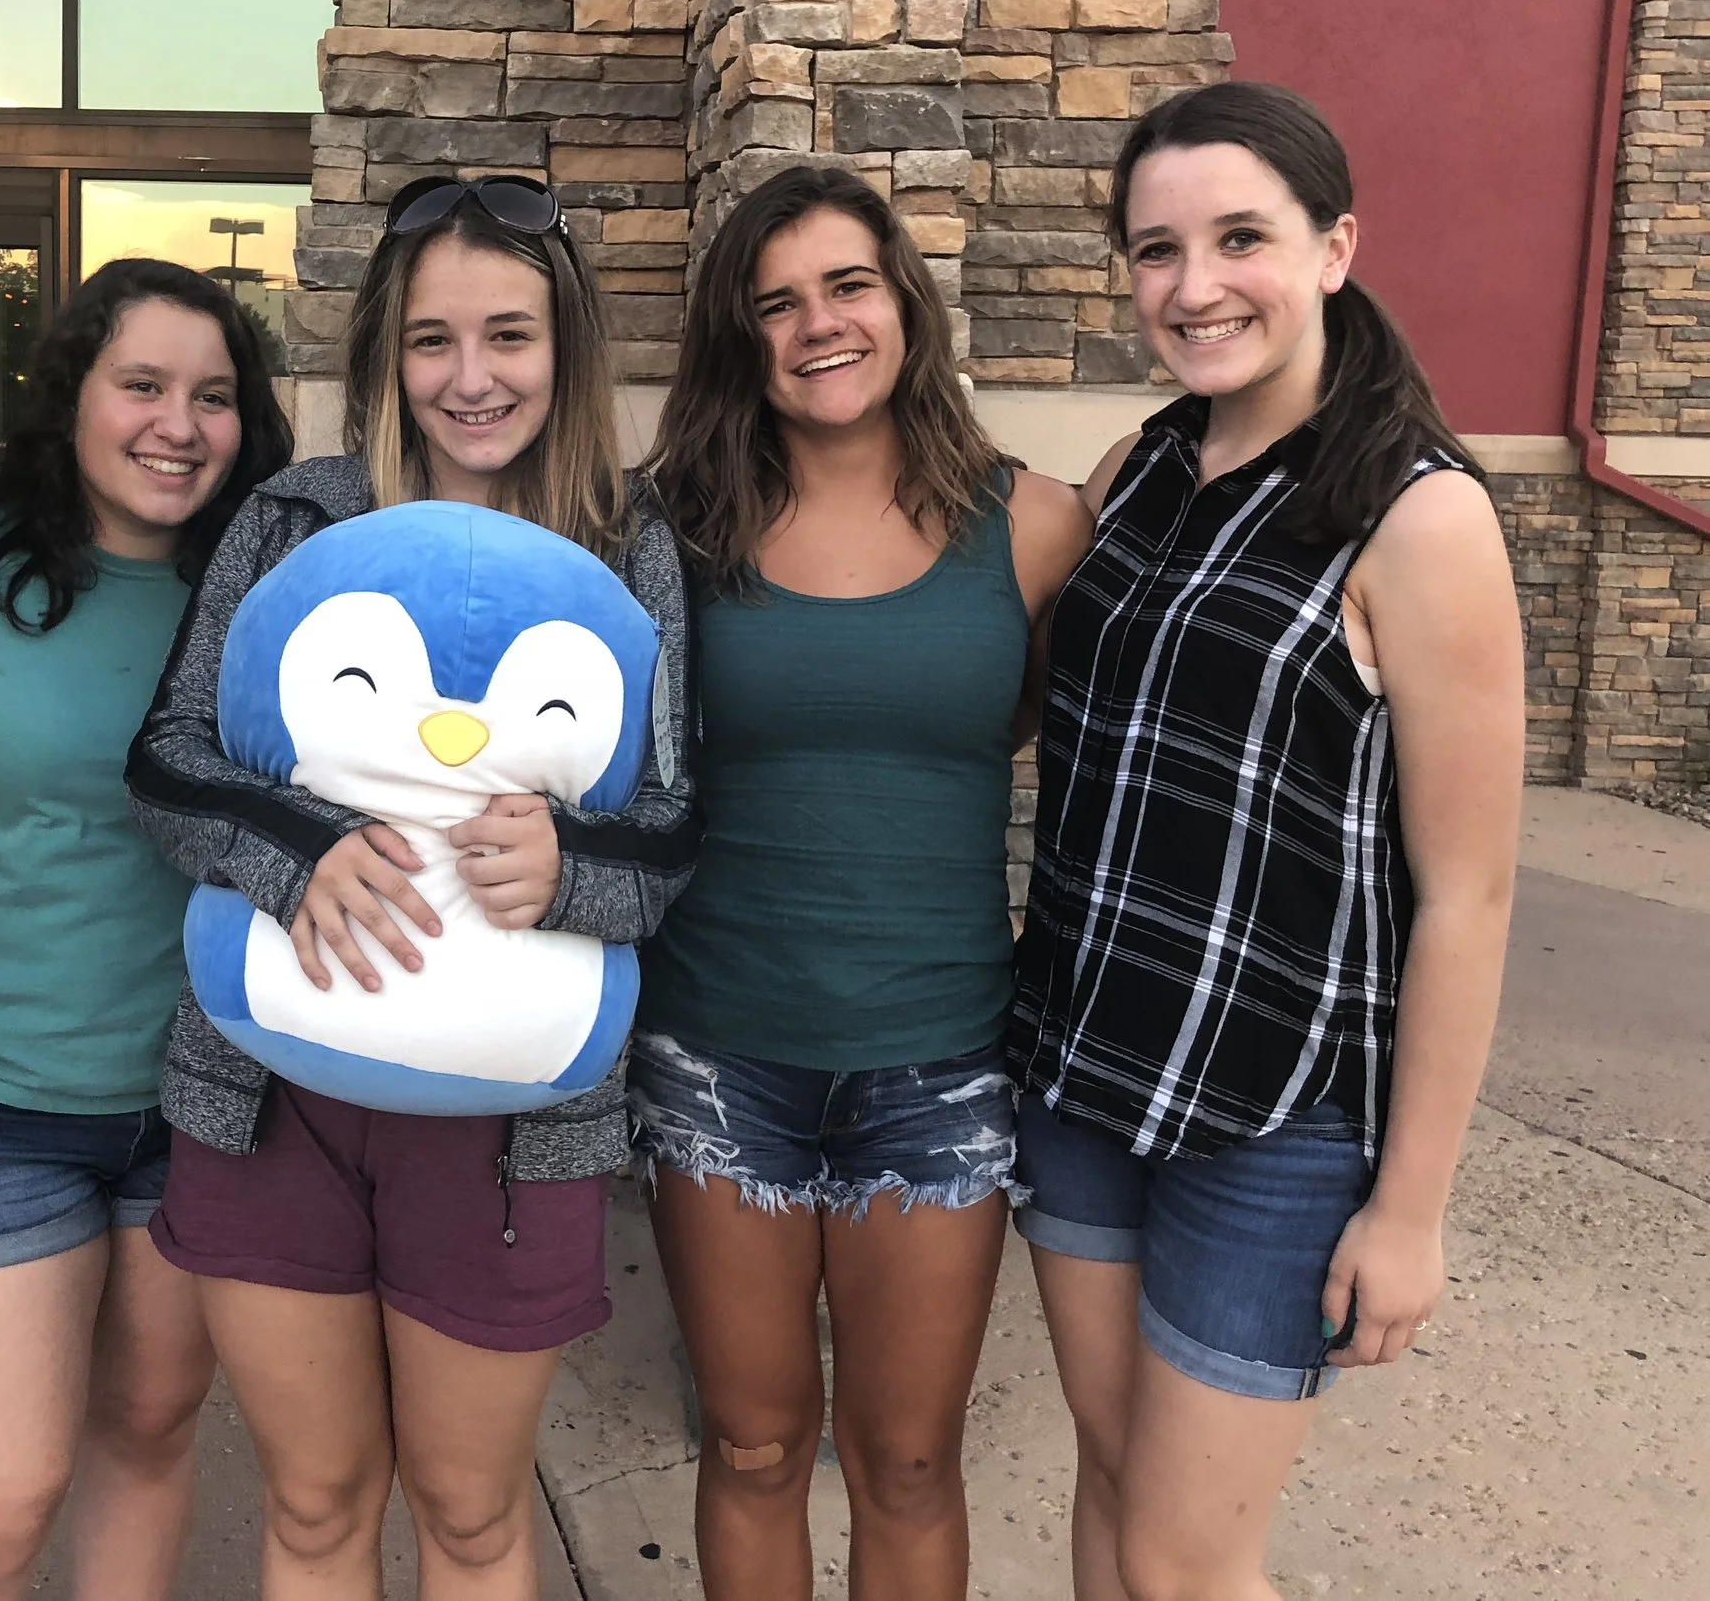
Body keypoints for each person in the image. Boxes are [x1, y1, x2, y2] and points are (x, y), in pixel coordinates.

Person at [125, 173, 700, 1601]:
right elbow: (168, 759)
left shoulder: (627, 548)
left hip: (517, 1132)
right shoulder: (292, 518)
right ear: (386, 352)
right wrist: (296, 847)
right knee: (317, 1504)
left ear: (563, 342)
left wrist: (577, 869)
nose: (470, 376)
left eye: (507, 334)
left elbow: (676, 829)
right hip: (266, 1095)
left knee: (468, 1508)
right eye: (431, 340)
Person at [1009, 81, 1524, 1601]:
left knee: (1187, 1560)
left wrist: (1410, 1206)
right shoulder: (1140, 474)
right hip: (1090, 1061)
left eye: (1241, 237)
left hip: (1279, 1115)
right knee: (1111, 1486)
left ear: (1334, 247)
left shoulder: (1417, 518)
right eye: (1157, 249)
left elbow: (1472, 896)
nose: (1195, 284)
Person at [636, 165, 1092, 1601]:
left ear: (905, 301)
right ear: (736, 339)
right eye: (772, 304)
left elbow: (1018, 726)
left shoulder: (1033, 525)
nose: (815, 325)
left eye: (845, 286)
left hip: (939, 1058)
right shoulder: (673, 529)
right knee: (756, 1443)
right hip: (718, 1049)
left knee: (906, 1460)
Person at [0, 260, 292, 1601]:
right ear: (73, 400)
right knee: (0, 1502)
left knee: (151, 1431)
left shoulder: (269, 598)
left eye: (214, 396)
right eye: (145, 385)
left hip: (203, 1094)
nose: (180, 423)